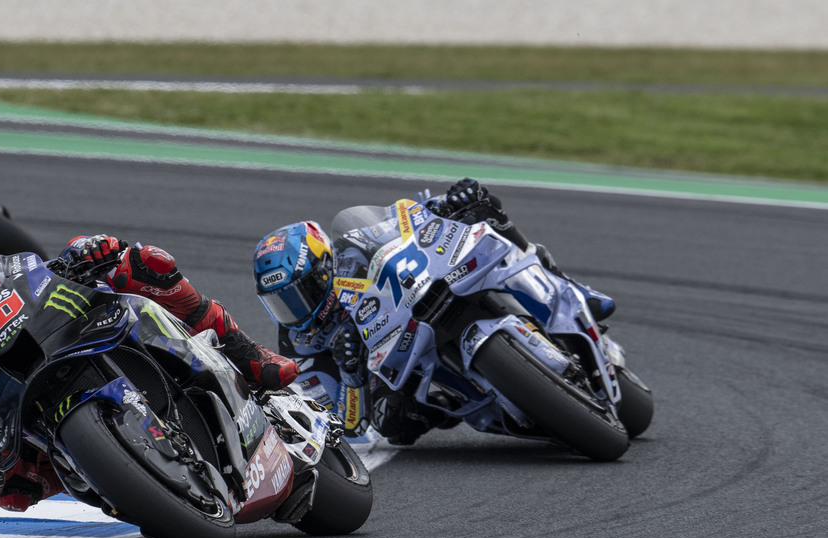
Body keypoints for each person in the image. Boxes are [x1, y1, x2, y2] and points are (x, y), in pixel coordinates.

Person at [0, 235, 299, 511]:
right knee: (13, 497)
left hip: (60, 338)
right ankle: (121, 477)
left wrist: (79, 255)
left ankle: (244, 351)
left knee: (139, 262)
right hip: (24, 430)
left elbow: (26, 275)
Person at [252, 178, 614, 447]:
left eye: (300, 295)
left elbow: (404, 222)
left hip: (423, 300)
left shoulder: (353, 250)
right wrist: (350, 374)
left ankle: (573, 291)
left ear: (325, 269)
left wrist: (451, 203)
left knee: (486, 212)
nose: (295, 311)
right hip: (396, 375)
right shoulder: (300, 347)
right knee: (394, 423)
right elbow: (347, 427)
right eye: (281, 303)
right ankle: (480, 401)